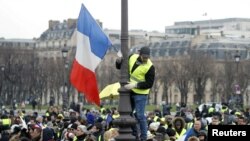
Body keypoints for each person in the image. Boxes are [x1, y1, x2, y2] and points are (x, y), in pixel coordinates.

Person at [116, 46, 155, 141]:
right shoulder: (132, 57)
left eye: (147, 57)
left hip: (140, 93)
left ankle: (143, 138)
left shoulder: (150, 67)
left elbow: (149, 84)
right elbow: (121, 67)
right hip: (130, 91)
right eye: (144, 57)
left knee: (140, 115)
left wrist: (135, 85)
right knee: (128, 113)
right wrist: (118, 61)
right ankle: (135, 133)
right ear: (139, 54)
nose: (145, 59)